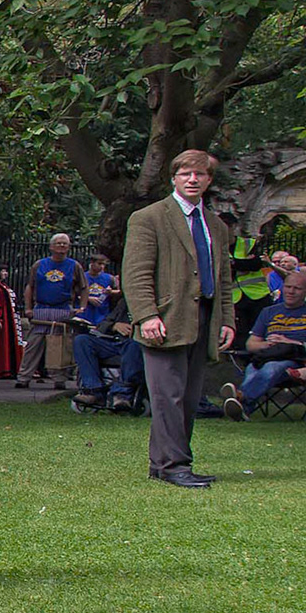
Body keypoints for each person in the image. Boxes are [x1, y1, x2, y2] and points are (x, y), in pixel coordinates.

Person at [122, 149, 235, 489]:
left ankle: (164, 464)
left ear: (209, 180)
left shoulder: (215, 225)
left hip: (203, 318)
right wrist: (146, 316)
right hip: (165, 319)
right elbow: (136, 274)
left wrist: (227, 320)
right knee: (166, 395)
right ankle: (174, 465)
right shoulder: (150, 217)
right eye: (186, 173)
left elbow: (224, 278)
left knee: (187, 396)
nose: (193, 179)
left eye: (200, 175)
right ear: (174, 177)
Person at [221, 270, 306, 421]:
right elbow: (251, 344)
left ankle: (241, 397)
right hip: (268, 354)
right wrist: (268, 344)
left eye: (297, 288)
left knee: (271, 367)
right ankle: (243, 409)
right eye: (288, 287)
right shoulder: (268, 312)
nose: (291, 291)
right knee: (252, 368)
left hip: (296, 360)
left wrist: (290, 342)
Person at [16, 233, 87, 389]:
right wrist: (28, 308)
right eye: (59, 243)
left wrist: (82, 307)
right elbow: (30, 286)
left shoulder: (74, 266)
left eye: (65, 244)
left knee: (59, 346)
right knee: (34, 344)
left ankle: (59, 378)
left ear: (68, 247)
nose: (61, 246)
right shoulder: (39, 265)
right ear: (51, 246)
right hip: (41, 308)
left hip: (62, 308)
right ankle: (24, 377)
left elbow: (83, 287)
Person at [71, 294, 145, 411]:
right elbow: (102, 325)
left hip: (135, 344)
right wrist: (114, 326)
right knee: (82, 340)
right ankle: (93, 391)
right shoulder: (124, 303)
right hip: (113, 342)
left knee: (134, 345)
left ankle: (122, 395)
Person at [74, 252, 119, 329]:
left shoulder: (110, 278)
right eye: (99, 264)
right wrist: (87, 298)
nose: (102, 266)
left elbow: (119, 292)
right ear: (92, 263)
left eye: (103, 264)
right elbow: (74, 294)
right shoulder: (82, 277)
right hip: (84, 315)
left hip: (102, 314)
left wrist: (111, 292)